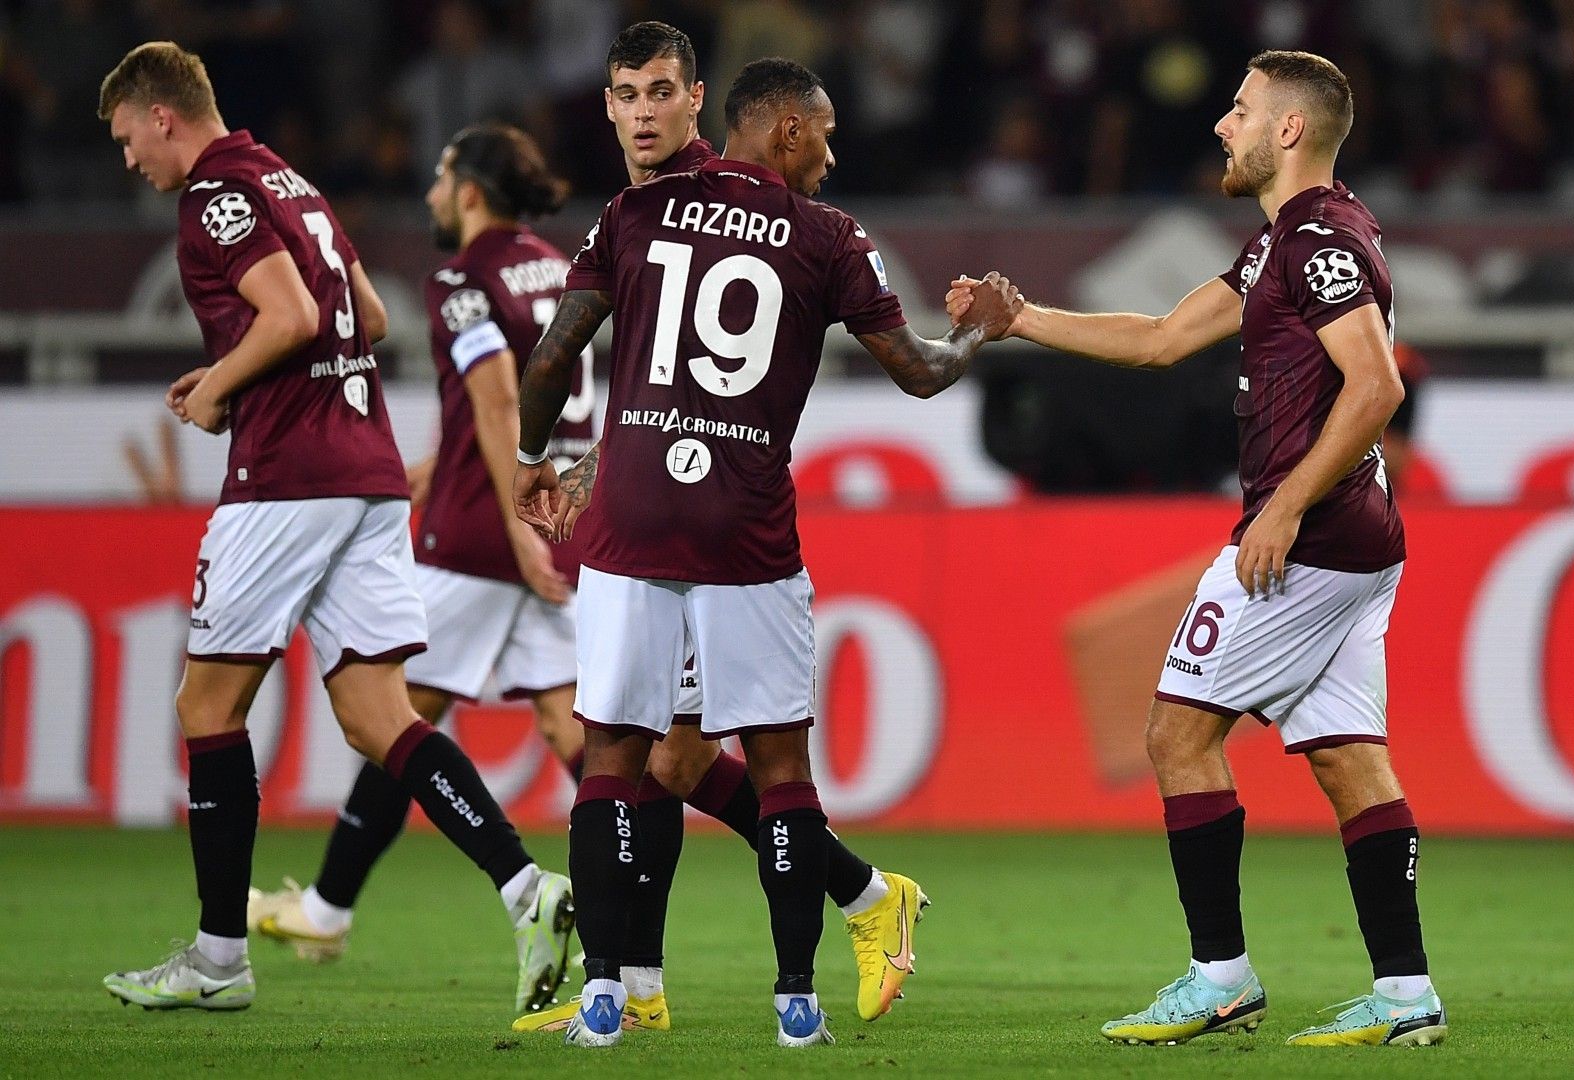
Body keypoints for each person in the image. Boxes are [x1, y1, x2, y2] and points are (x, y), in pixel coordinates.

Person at [512, 58, 1018, 1049]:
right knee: (773, 762)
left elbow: (550, 359)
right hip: (745, 527)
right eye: (825, 135)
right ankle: (796, 1003)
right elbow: (916, 373)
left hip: (629, 515)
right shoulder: (828, 236)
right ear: (786, 127)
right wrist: (978, 336)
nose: (832, 156)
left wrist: (534, 460)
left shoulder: (637, 210)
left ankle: (611, 995)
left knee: (618, 755)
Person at [947, 50, 1444, 1048]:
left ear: (1289, 130)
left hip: (1309, 537)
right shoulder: (1287, 243)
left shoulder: (1320, 242)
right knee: (1349, 759)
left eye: (1242, 109)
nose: (1224, 125)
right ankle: (1405, 994)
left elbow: (1377, 387)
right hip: (1355, 539)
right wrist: (1022, 320)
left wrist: (1285, 508)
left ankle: (1220, 977)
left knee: (1177, 738)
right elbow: (1163, 337)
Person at [94, 41, 573, 1014]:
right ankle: (531, 889)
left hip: (286, 481)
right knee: (377, 717)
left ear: (160, 116)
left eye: (124, 139)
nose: (128, 163)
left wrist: (221, 385)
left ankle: (220, 959)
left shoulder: (214, 196)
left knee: (206, 709)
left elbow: (292, 314)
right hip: (365, 471)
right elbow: (366, 313)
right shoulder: (291, 180)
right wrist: (239, 367)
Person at [244, 121, 587, 975]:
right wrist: (444, 466)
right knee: (574, 727)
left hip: (484, 537)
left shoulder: (462, 281)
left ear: (470, 190)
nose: (432, 193)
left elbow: (501, 402)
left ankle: (346, 907)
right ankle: (638, 918)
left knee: (389, 718)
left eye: (440, 177)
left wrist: (509, 525)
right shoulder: (553, 265)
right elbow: (520, 406)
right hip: (561, 519)